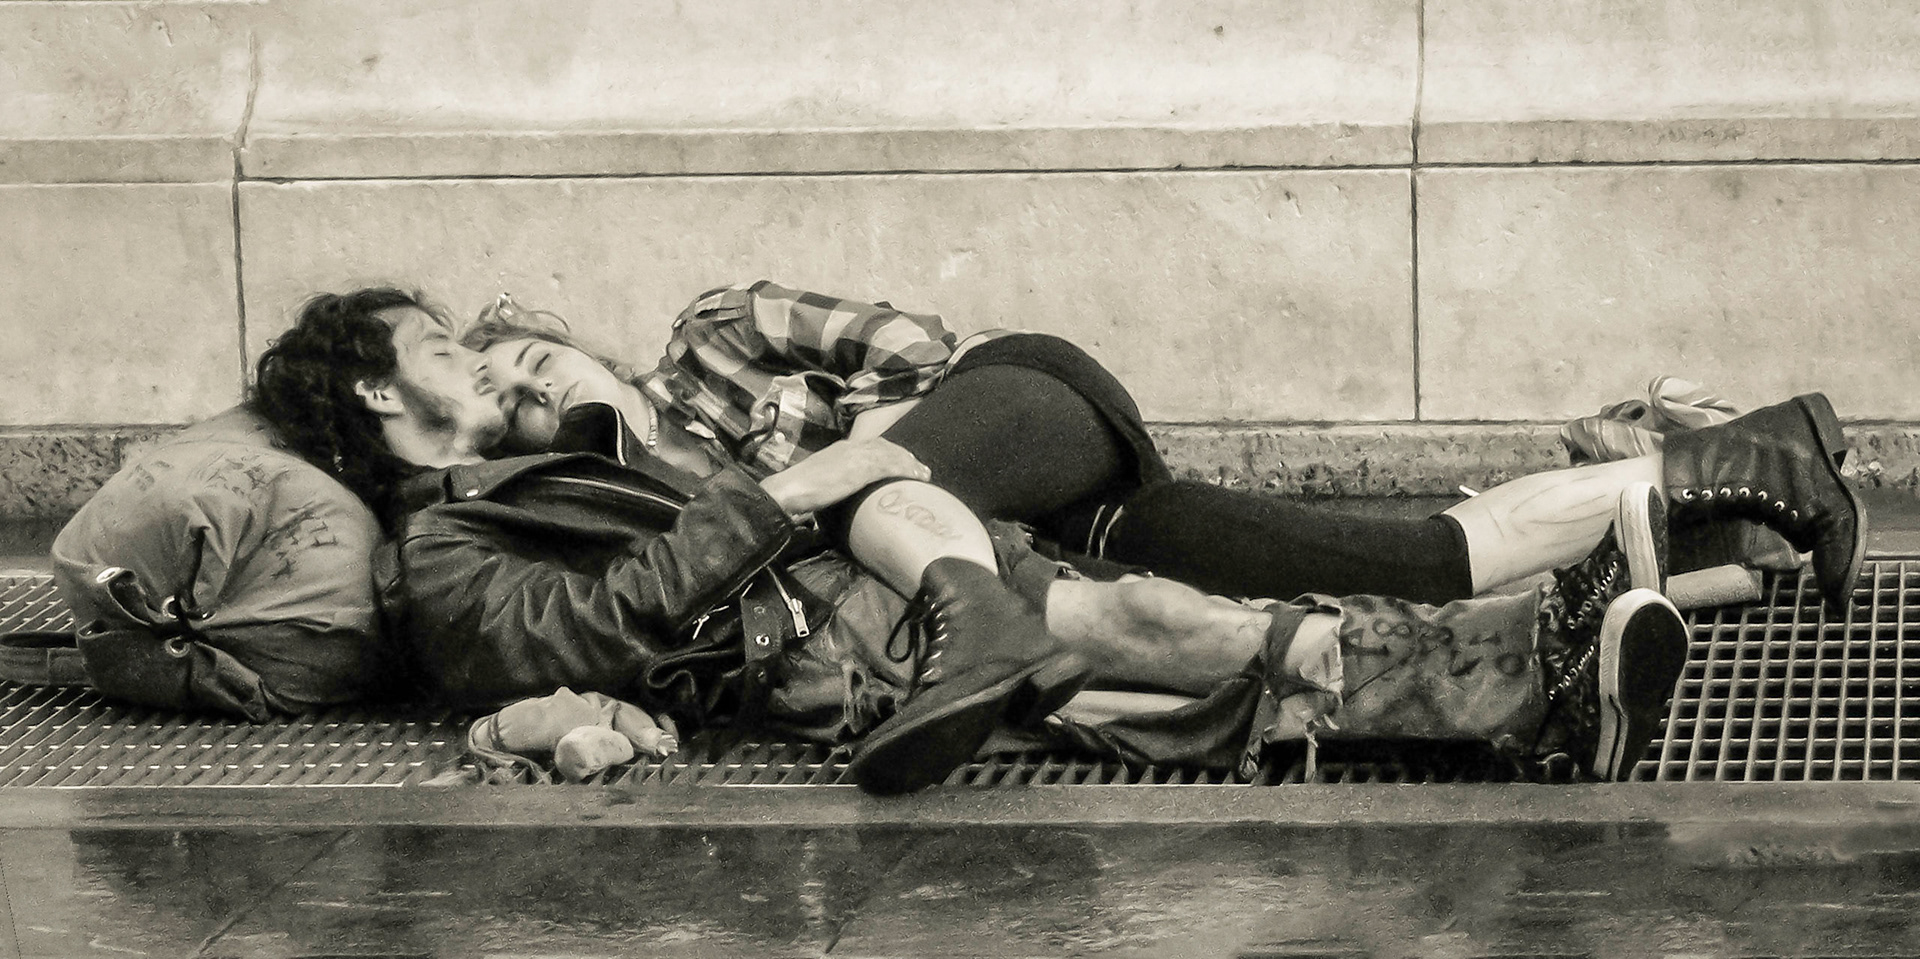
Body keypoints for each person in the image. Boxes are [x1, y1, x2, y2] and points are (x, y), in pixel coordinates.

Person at [252, 288, 1700, 794]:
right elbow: (581, 632)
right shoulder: (440, 551)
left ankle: (1540, 668)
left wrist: (811, 474)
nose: (483, 352)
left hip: (904, 553)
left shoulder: (630, 415)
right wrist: (791, 493)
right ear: (380, 391)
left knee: (1166, 631)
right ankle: (1554, 663)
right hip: (839, 627)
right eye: (441, 343)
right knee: (1182, 640)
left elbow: (914, 363)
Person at [465, 281, 1864, 612]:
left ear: (572, 339)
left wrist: (837, 434)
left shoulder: (713, 335)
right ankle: (1746, 478)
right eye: (520, 400)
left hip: (1021, 403)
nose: (543, 390)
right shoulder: (622, 490)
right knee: (1402, 565)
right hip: (1049, 524)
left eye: (538, 359)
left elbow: (911, 343)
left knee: (891, 489)